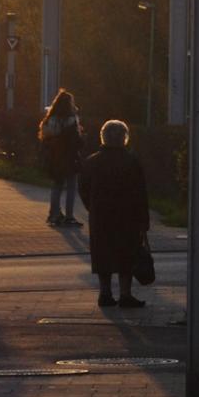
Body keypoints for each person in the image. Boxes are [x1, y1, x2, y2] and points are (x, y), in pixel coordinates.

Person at [79, 119, 149, 308]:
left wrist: (91, 207)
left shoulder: (92, 162)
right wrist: (144, 220)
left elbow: (83, 189)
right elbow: (141, 193)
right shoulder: (132, 162)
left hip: (100, 216)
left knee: (103, 254)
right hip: (128, 217)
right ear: (124, 138)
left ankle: (105, 293)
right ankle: (125, 294)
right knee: (126, 254)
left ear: (103, 137)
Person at [38, 88, 84, 227]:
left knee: (57, 185)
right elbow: (77, 141)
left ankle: (54, 214)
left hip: (54, 157)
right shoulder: (72, 120)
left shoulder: (49, 121)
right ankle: (69, 216)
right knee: (71, 187)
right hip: (69, 158)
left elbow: (45, 140)